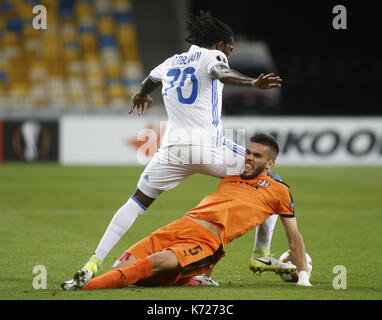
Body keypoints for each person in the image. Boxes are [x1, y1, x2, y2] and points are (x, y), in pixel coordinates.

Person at [61, 11, 284, 289]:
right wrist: (252, 82)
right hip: (208, 148)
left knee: (137, 201)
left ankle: (93, 261)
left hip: (173, 150)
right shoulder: (211, 56)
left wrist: (141, 94)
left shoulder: (170, 62)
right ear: (219, 44)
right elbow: (221, 72)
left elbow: (150, 80)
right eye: (230, 47)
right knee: (270, 181)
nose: (229, 51)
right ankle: (261, 254)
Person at [61, 133, 312, 290]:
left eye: (256, 156)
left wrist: (303, 276)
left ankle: (83, 287)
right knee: (124, 265)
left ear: (270, 164)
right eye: (247, 152)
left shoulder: (279, 190)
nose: (248, 158)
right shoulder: (231, 175)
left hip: (207, 242)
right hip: (182, 225)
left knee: (152, 264)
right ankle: (194, 277)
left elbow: (294, 237)